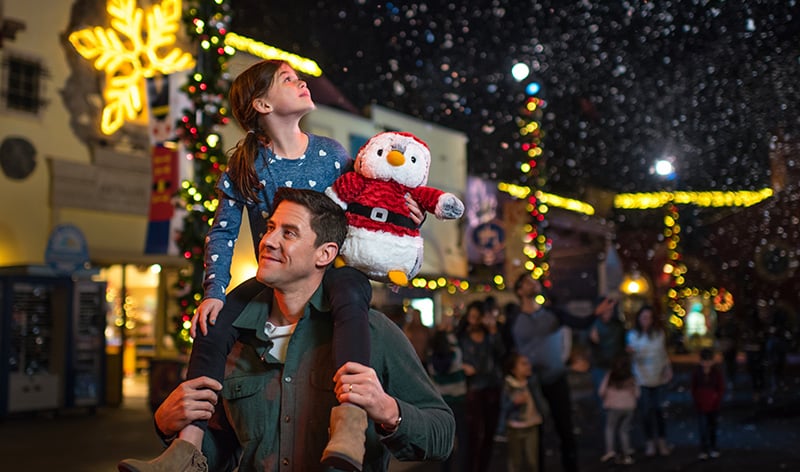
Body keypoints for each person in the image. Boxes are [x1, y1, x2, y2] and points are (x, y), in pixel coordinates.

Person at [120, 60, 424, 472]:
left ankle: (351, 418)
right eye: (287, 79)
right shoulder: (246, 166)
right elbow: (223, 234)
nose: (301, 82)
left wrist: (405, 216)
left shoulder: (331, 154)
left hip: (331, 271)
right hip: (275, 280)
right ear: (262, 104)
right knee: (216, 322)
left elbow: (371, 199)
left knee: (352, 293)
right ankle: (187, 444)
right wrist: (213, 293)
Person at [123, 188, 455, 472]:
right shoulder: (234, 338)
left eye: (289, 233)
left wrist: (388, 410)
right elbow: (220, 453)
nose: (268, 241)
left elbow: (443, 434)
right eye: (270, 228)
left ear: (324, 254)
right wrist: (167, 425)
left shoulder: (372, 333)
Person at [511, 273, 598, 472]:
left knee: (564, 428)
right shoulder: (514, 320)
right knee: (536, 432)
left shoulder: (553, 314)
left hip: (556, 378)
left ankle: (571, 466)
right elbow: (506, 351)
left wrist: (595, 315)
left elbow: (580, 323)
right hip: (530, 383)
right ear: (519, 291)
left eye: (535, 282)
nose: (534, 284)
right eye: (528, 282)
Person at [458, 299, 506, 472]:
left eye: (478, 317)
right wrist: (463, 366)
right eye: (471, 317)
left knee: (489, 432)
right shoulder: (462, 337)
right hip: (474, 388)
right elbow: (454, 359)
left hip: (493, 385)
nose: (474, 321)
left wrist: (493, 331)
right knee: (474, 433)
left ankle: (483, 466)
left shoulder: (491, 335)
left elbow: (502, 354)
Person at [626, 305, 673, 457]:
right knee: (646, 412)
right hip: (641, 378)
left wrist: (667, 368)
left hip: (658, 377)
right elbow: (632, 356)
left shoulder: (658, 334)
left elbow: (663, 353)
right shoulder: (633, 335)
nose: (646, 320)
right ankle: (649, 442)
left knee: (659, 411)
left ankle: (662, 441)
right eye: (643, 317)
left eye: (648, 317)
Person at [427, 321, 469, 472]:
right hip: (458, 399)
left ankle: (446, 469)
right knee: (463, 438)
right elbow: (456, 346)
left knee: (447, 438)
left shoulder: (432, 355)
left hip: (442, 400)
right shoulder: (456, 354)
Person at [501, 352, 543, 472]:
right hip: (515, 427)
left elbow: (540, 401)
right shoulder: (509, 385)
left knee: (532, 461)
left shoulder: (532, 383)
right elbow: (504, 407)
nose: (528, 366)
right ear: (514, 369)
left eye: (528, 363)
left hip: (532, 425)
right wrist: (514, 403)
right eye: (523, 364)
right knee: (515, 461)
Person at [598, 353, 639, 465]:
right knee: (624, 430)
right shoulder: (631, 377)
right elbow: (637, 393)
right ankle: (627, 454)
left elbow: (601, 391)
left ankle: (610, 451)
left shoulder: (610, 376)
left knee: (610, 428)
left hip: (613, 407)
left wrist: (606, 398)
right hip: (629, 407)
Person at [587, 296, 626, 408]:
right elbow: (588, 343)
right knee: (602, 399)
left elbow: (622, 344)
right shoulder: (594, 325)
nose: (607, 312)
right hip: (600, 366)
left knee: (618, 399)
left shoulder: (618, 325)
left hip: (616, 366)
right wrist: (592, 340)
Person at [690, 347, 725, 460]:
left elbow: (720, 388)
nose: (706, 363)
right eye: (704, 361)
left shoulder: (716, 373)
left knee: (712, 427)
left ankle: (712, 448)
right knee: (703, 428)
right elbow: (693, 388)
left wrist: (716, 398)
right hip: (701, 405)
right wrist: (697, 399)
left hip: (713, 405)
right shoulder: (697, 373)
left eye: (708, 361)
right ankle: (704, 449)